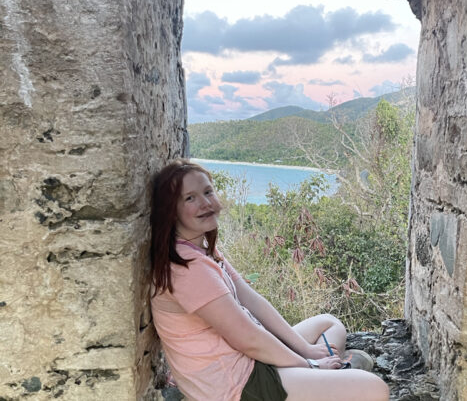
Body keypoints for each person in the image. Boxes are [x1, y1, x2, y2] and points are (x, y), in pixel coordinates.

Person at [150, 159, 389, 401]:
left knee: (328, 323)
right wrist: (309, 364)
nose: (205, 203)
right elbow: (248, 339)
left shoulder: (201, 249)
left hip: (247, 358)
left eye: (208, 191)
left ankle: (329, 377)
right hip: (235, 384)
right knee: (375, 389)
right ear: (171, 210)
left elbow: (252, 301)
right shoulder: (188, 268)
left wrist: (306, 350)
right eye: (189, 198)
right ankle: (335, 375)